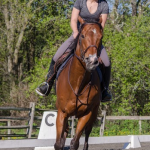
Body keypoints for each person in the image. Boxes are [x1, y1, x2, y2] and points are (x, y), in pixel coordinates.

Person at [36, 0, 112, 102]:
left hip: (93, 39)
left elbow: (102, 25)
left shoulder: (104, 5)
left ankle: (104, 91)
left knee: (106, 63)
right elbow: (73, 20)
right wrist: (76, 32)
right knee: (56, 56)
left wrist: (96, 36)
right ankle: (48, 84)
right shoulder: (80, 2)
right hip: (79, 35)